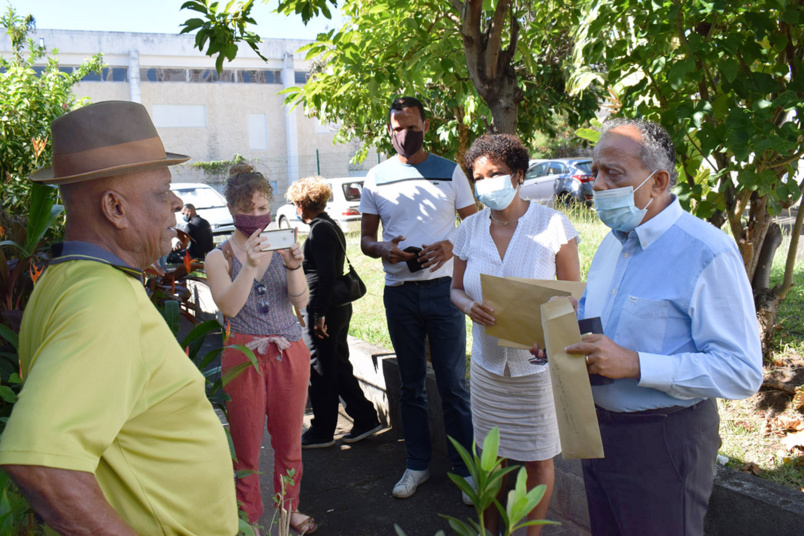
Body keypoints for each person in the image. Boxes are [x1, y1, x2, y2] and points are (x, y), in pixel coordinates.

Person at [0, 100, 238, 534]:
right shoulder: (101, 300)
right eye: (161, 190)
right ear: (115, 209)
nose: (175, 203)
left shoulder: (67, 278)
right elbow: (38, 460)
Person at [564, 118, 763, 535]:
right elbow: (600, 323)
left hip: (664, 440)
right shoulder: (612, 243)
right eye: (595, 170)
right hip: (598, 433)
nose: (597, 184)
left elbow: (742, 372)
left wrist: (637, 364)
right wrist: (562, 341)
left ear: (658, 182)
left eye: (613, 173)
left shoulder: (706, 251)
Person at [450, 134, 580, 534]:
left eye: (497, 174)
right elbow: (454, 289)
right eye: (479, 176)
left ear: (519, 175)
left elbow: (573, 293)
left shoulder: (553, 224)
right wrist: (470, 306)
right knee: (492, 462)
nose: (487, 183)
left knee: (539, 459)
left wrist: (551, 328)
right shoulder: (469, 229)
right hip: (489, 368)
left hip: (537, 369)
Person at [360, 96, 477, 499]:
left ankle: (465, 470)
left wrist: (449, 245)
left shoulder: (450, 172)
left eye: (410, 126)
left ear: (425, 125)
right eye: (395, 127)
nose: (402, 135)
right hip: (400, 294)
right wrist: (383, 250)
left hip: (445, 292)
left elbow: (475, 226)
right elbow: (365, 240)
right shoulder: (376, 176)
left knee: (453, 385)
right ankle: (417, 465)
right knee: (411, 386)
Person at [204, 163, 317, 535]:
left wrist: (295, 266)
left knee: (289, 440)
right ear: (233, 210)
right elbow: (230, 307)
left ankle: (289, 510)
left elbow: (301, 303)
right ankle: (249, 518)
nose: (257, 217)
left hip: (289, 349)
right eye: (249, 210)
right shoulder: (218, 257)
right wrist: (249, 266)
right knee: (246, 444)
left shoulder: (281, 241)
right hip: (243, 354)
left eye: (262, 208)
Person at [285, 177, 383, 449]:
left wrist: (317, 315)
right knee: (337, 365)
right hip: (335, 308)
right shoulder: (328, 225)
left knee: (321, 369)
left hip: (323, 308)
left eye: (296, 204)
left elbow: (326, 276)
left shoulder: (320, 231)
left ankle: (323, 430)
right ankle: (365, 418)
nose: (295, 209)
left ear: (304, 204)